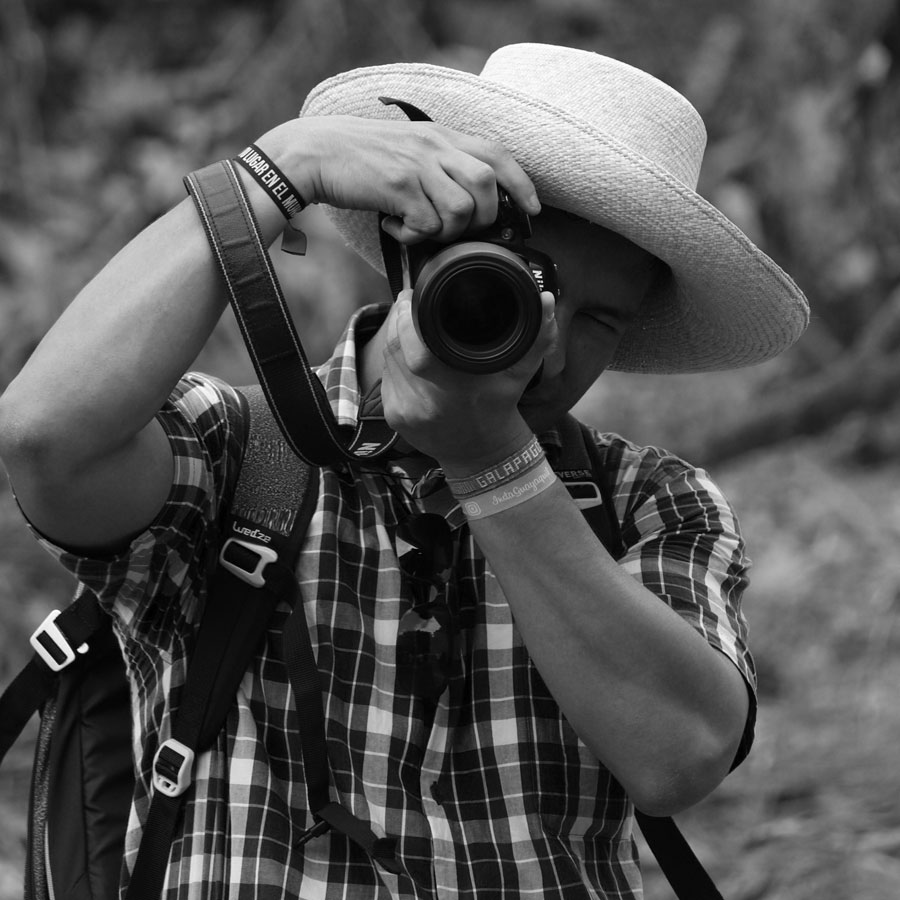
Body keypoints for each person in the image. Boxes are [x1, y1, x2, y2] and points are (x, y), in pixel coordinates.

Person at [0, 43, 808, 899]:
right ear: (411, 242)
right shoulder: (241, 455)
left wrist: (495, 466)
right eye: (529, 284)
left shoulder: (648, 501)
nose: (552, 348)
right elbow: (44, 440)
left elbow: (680, 754)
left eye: (603, 318)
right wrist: (278, 171)